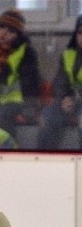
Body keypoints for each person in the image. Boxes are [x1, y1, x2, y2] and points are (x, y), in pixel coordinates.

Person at [0, 7, 41, 138]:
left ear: (18, 35)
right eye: (1, 27)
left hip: (17, 100)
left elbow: (30, 82)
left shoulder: (26, 53)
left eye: (10, 30)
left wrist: (30, 107)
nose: (3, 33)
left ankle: (7, 149)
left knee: (1, 116)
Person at [37, 14, 82, 150]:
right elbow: (60, 82)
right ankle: (46, 158)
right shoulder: (69, 54)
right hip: (73, 101)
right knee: (48, 115)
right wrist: (65, 98)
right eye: (80, 32)